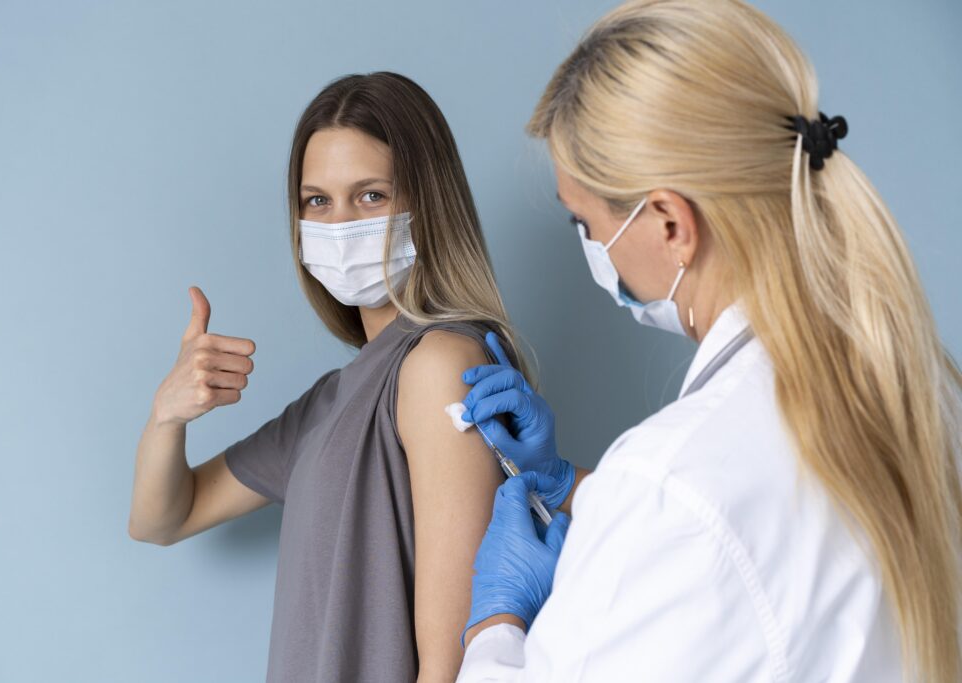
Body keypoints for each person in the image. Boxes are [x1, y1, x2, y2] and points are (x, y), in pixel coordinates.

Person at [454, 1, 962, 681]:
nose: (592, 246)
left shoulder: (672, 481)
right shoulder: (917, 389)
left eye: (584, 223)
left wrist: (495, 623)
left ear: (670, 223)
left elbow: (706, 522)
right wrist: (573, 487)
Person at [128, 72, 531, 682]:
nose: (340, 225)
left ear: (428, 202)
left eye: (371, 196)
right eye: (317, 201)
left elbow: (451, 662)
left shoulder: (439, 364)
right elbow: (160, 520)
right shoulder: (330, 401)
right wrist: (167, 415)